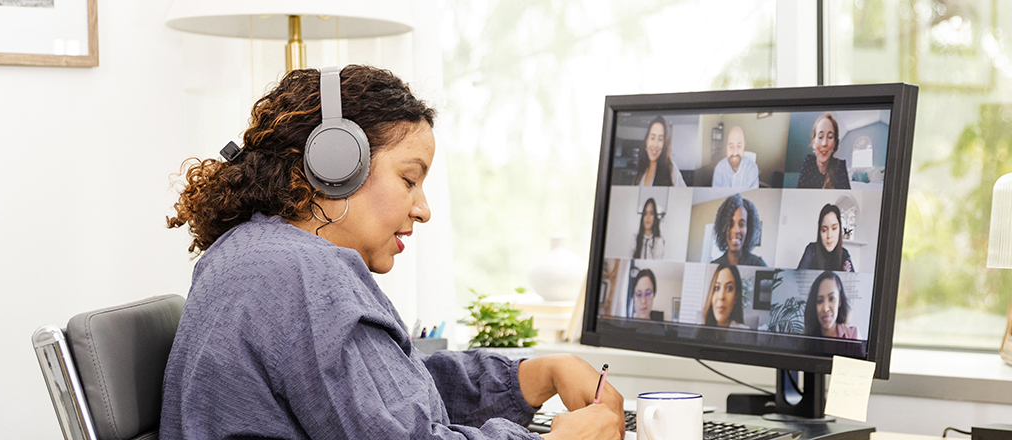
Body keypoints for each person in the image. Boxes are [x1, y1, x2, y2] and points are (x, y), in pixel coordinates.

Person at [160, 66, 623, 440]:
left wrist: (535, 374)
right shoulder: (299, 274)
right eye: (409, 179)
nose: (422, 210)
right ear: (335, 164)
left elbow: (390, 397)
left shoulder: (263, 255)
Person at [710, 194, 768, 267]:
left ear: (748, 229)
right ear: (723, 228)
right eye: (730, 224)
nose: (736, 230)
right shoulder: (714, 266)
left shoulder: (759, 265)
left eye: (741, 224)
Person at [796, 113, 851, 189]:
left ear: (835, 143)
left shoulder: (840, 166)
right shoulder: (809, 162)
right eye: (820, 136)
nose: (824, 143)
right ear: (814, 142)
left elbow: (845, 198)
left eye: (830, 137)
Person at [797, 204, 854, 272]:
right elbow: (798, 279)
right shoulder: (811, 250)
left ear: (839, 229)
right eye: (824, 230)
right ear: (819, 232)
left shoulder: (844, 254)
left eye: (834, 228)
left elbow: (854, 281)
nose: (829, 236)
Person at [633, 116, 687, 187]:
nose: (655, 145)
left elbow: (684, 195)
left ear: (664, 144)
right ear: (647, 140)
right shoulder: (641, 168)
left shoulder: (671, 170)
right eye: (652, 138)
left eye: (660, 139)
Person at [803, 271, 858, 339]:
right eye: (819, 301)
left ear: (839, 301)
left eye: (832, 299)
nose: (826, 308)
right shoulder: (805, 339)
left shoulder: (853, 334)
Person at [701, 264, 748, 329]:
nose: (721, 296)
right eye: (717, 288)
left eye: (729, 288)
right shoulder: (699, 331)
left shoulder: (745, 334)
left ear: (736, 296)